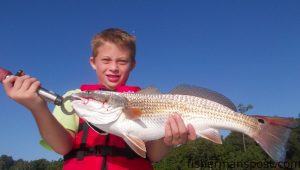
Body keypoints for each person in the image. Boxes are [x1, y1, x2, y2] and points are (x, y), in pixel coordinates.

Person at [2, 28, 196, 170]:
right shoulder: (74, 98)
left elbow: (153, 155)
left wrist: (169, 140)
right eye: (106, 60)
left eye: (122, 61)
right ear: (93, 63)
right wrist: (38, 108)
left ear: (133, 65)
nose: (113, 67)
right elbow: (61, 146)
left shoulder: (150, 100)